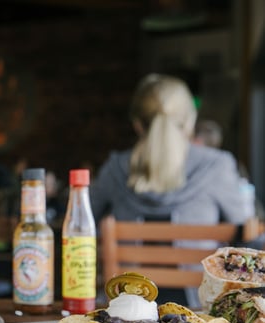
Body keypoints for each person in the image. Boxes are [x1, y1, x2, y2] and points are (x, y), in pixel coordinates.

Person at [89, 74, 252, 307]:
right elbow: (247, 230)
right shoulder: (217, 166)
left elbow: (79, 224)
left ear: (137, 124)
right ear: (189, 122)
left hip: (126, 315)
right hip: (200, 313)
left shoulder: (114, 169)